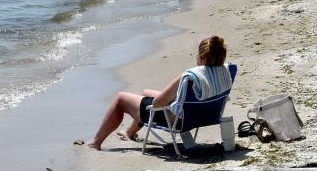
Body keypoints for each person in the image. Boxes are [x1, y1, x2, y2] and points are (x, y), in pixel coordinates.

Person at [82, 35, 231, 150]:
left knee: (121, 98)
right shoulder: (226, 71)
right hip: (205, 115)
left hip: (177, 119)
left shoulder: (190, 76)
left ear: (202, 57)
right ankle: (129, 133)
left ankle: (95, 143)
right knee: (145, 93)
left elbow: (157, 104)